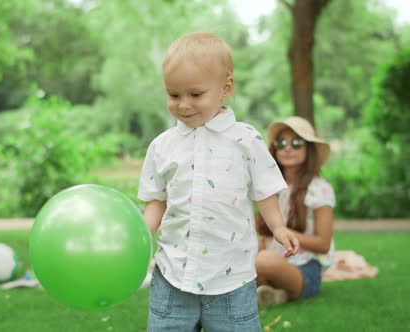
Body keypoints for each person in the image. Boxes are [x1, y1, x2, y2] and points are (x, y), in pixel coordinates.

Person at [138, 32, 299, 331]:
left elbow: (264, 191)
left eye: (195, 94)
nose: (183, 104)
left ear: (226, 87)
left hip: (231, 277)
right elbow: (156, 200)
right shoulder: (162, 146)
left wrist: (277, 226)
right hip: (174, 273)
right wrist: (140, 235)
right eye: (174, 95)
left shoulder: (245, 140)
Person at [254, 116, 336, 308]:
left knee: (264, 261)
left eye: (297, 143)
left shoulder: (319, 188)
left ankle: (271, 288)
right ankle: (274, 294)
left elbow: (323, 244)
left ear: (309, 149)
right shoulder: (268, 189)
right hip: (267, 261)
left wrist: (282, 232)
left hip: (303, 269)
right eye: (281, 143)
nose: (287, 148)